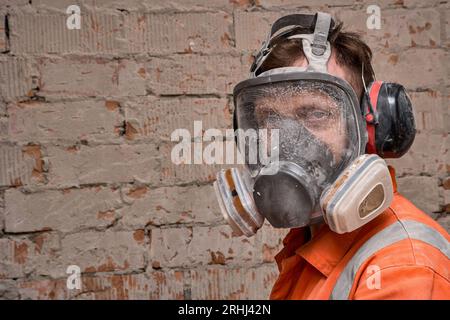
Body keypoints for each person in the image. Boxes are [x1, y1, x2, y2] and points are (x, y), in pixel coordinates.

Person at [214, 12, 450, 299]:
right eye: (270, 117)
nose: (287, 140)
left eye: (315, 113)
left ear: (370, 127)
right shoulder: (310, 243)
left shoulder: (401, 266)